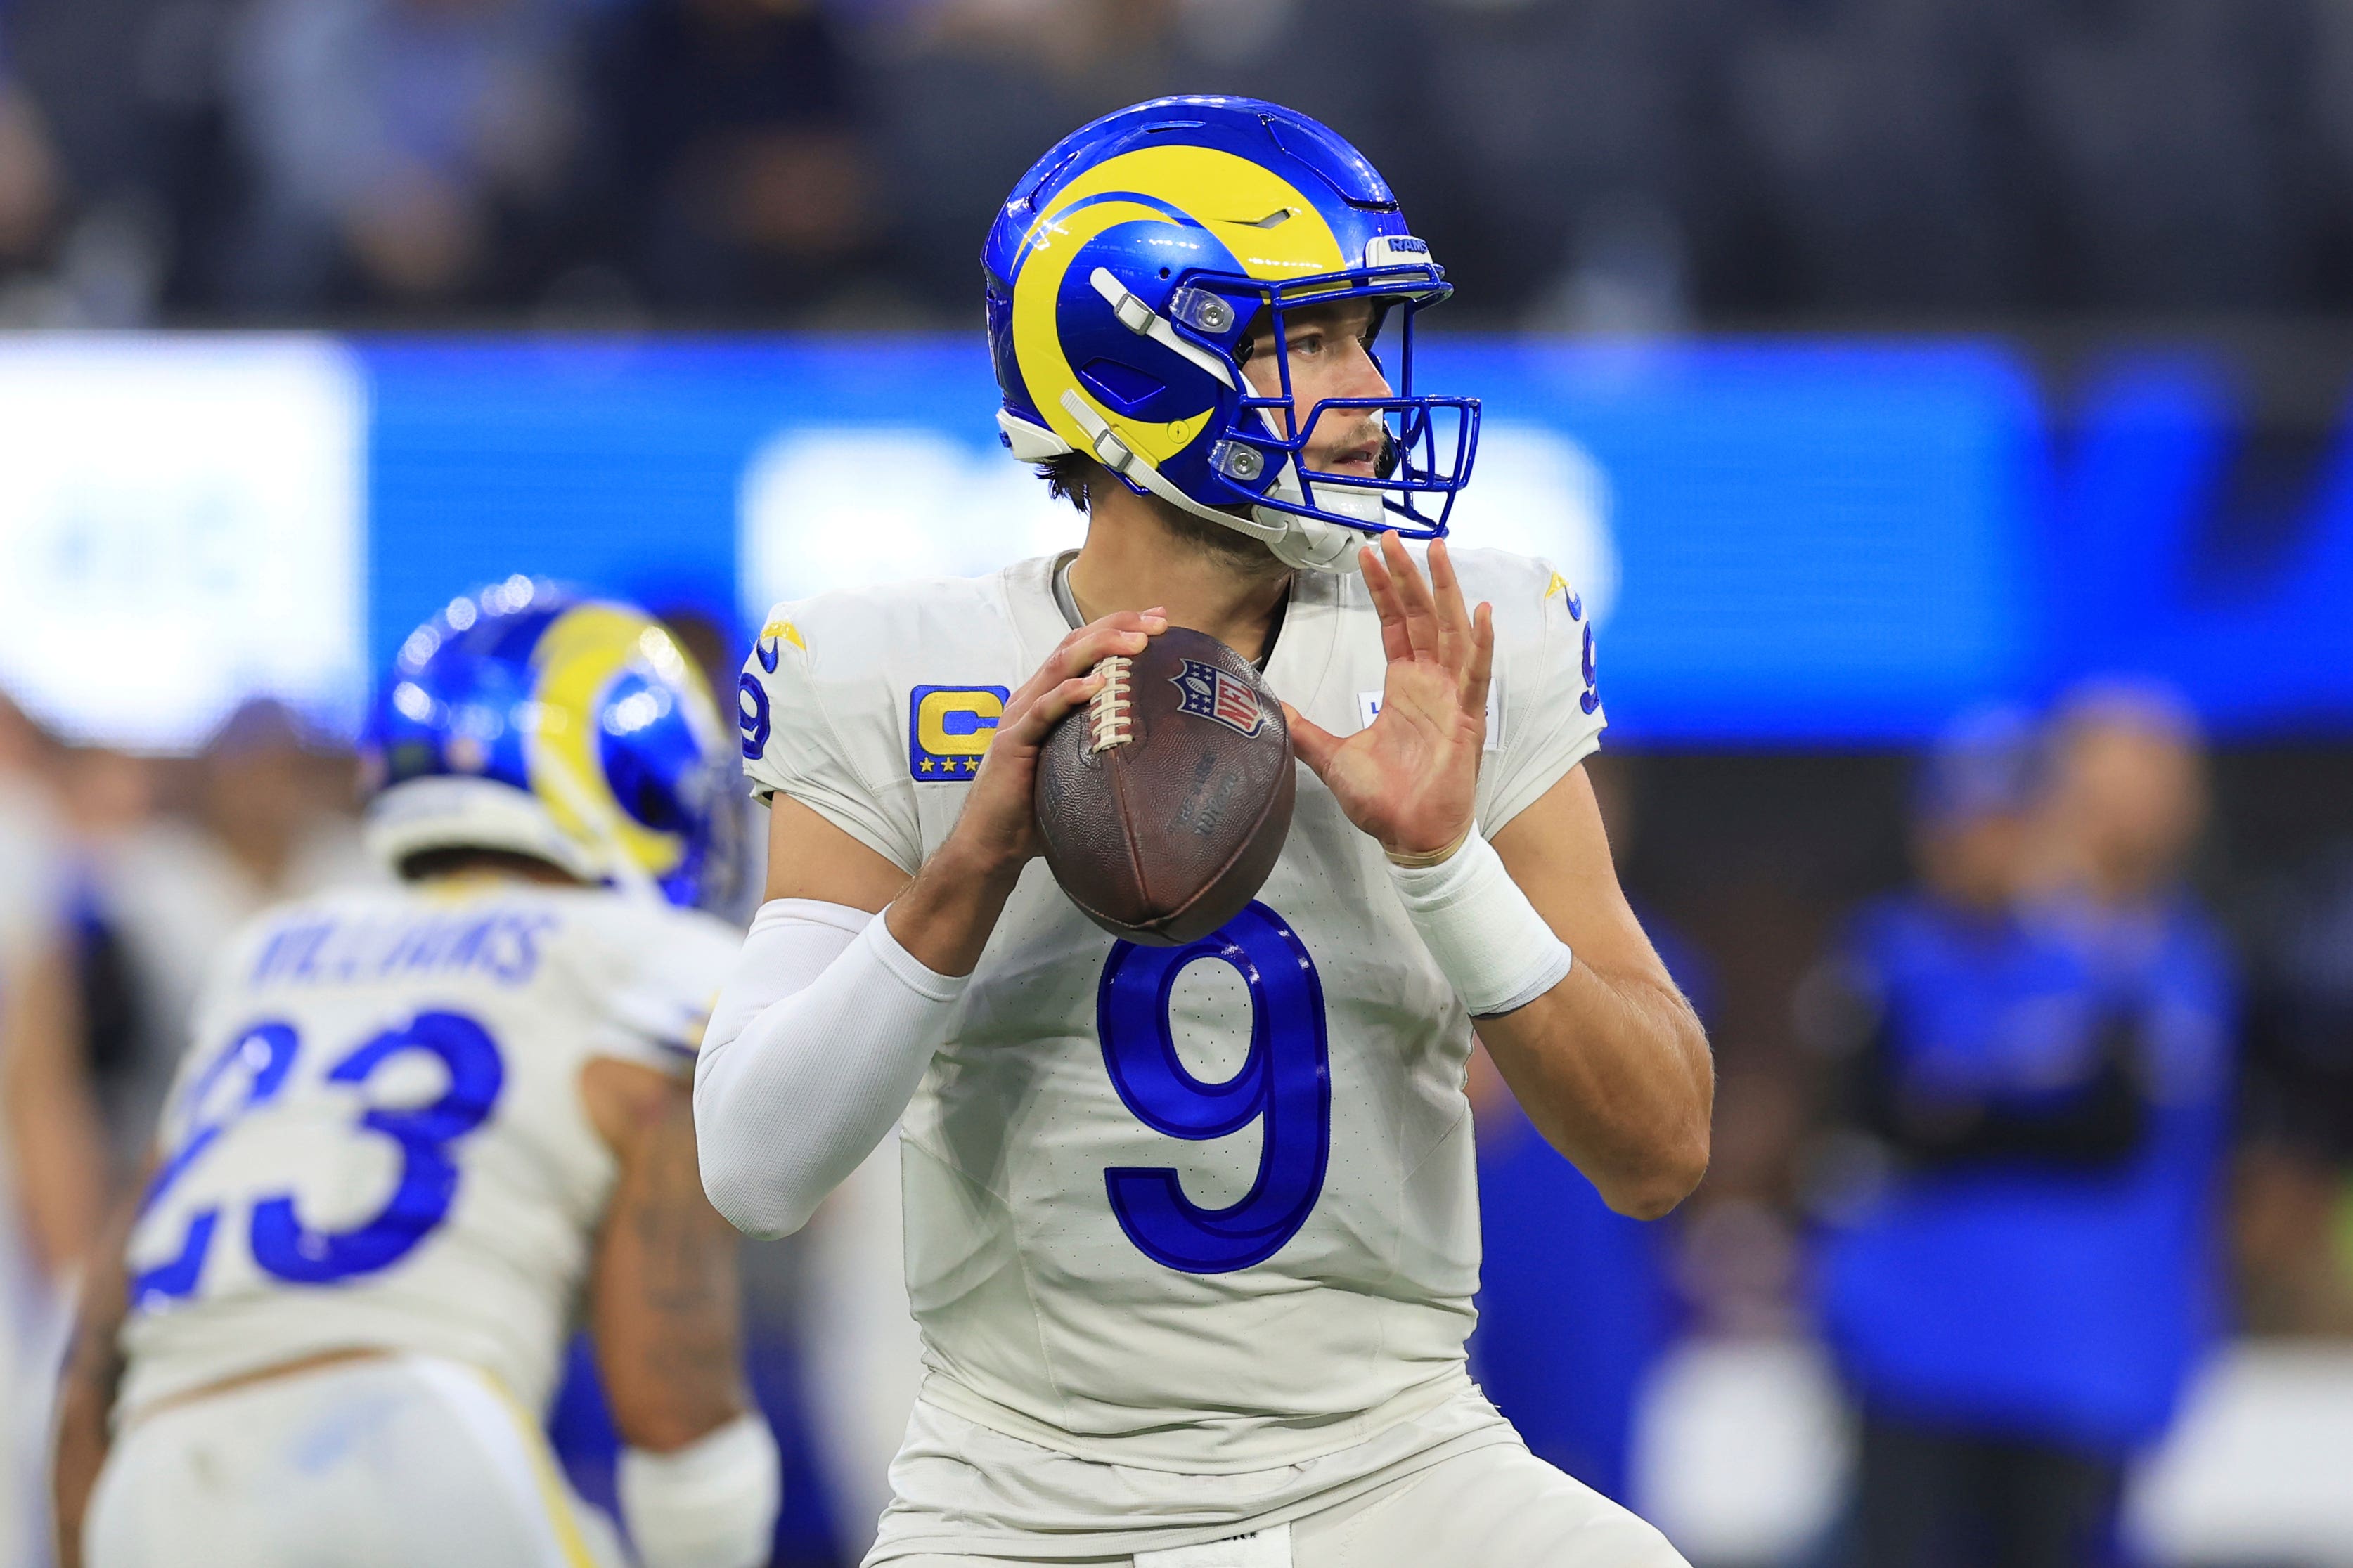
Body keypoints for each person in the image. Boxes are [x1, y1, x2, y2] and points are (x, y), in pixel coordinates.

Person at [698, 97, 1713, 1567]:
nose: (1365, 390)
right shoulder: (890, 669)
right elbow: (754, 1162)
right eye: (1304, 338)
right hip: (1023, 1498)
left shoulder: (1453, 638)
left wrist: (1445, 859)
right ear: (1127, 354)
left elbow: (1658, 1145)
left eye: (1367, 335)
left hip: (1397, 1463)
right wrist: (970, 862)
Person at [49, 584, 781, 1568]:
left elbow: (96, 1357)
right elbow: (670, 1388)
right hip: (411, 1437)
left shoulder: (271, 954)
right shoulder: (653, 957)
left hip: (160, 1468)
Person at [1807, 697, 2230, 1568]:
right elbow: (1878, 1115)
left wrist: (1967, 1107)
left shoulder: (2121, 958)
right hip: (1911, 1349)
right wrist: (2020, 1107)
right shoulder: (1886, 950)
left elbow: (2106, 1129)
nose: (1986, 844)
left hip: (2076, 1360)